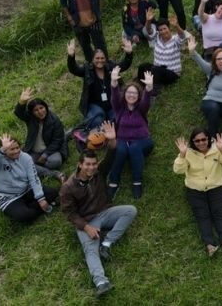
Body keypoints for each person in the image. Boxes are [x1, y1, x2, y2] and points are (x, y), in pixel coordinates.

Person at [60, 121, 137, 296]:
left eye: (94, 164)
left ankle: (107, 243)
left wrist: (112, 140)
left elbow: (111, 154)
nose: (91, 167)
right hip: (85, 221)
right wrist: (86, 227)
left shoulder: (98, 172)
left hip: (104, 212)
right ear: (80, 164)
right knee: (90, 249)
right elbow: (69, 213)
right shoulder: (68, 187)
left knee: (130, 210)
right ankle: (101, 282)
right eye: (88, 164)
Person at [174, 129, 222, 257]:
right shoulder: (188, 153)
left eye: (203, 139)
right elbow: (178, 170)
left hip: (216, 187)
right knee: (202, 216)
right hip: (195, 190)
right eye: (197, 140)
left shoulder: (217, 149)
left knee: (219, 213)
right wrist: (182, 155)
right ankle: (209, 245)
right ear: (193, 142)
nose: (201, 143)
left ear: (208, 139)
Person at [0, 133, 57, 224]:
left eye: (17, 148)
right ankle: (28, 209)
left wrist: (41, 198)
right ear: (4, 151)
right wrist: (2, 149)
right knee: (24, 216)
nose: (16, 151)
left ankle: (30, 206)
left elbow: (33, 178)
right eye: (12, 149)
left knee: (53, 193)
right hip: (9, 197)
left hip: (26, 190)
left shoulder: (25, 157)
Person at [67, 38, 133, 133]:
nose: (100, 61)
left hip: (111, 104)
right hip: (95, 105)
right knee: (97, 119)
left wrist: (129, 54)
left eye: (102, 58)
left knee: (119, 119)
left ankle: (103, 127)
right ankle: (82, 129)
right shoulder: (87, 70)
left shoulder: (111, 67)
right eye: (97, 58)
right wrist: (71, 56)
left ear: (105, 59)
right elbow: (74, 69)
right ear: (92, 59)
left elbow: (124, 65)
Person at [107, 68, 154, 200]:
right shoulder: (119, 108)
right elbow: (114, 97)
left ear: (138, 96)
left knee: (134, 147)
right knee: (120, 150)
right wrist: (113, 83)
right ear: (125, 94)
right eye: (129, 92)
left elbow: (146, 100)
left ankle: (137, 181)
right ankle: (113, 182)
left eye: (134, 93)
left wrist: (148, 87)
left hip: (143, 141)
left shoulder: (141, 108)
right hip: (122, 140)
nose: (131, 95)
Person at [14, 88, 66, 181]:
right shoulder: (30, 119)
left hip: (50, 151)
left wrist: (45, 155)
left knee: (56, 162)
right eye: (36, 110)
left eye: (41, 108)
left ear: (45, 107)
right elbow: (19, 113)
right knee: (22, 164)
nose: (40, 112)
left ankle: (36, 168)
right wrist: (21, 102)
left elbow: (57, 141)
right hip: (34, 152)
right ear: (32, 112)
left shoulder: (54, 120)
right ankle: (53, 174)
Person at [138, 12, 191, 91]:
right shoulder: (157, 37)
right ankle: (139, 86)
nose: (163, 31)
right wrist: (148, 21)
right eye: (160, 30)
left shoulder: (175, 39)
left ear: (169, 29)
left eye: (165, 28)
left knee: (156, 70)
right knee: (143, 66)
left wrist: (177, 25)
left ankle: (153, 92)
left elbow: (182, 36)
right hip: (157, 69)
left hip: (172, 73)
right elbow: (148, 31)